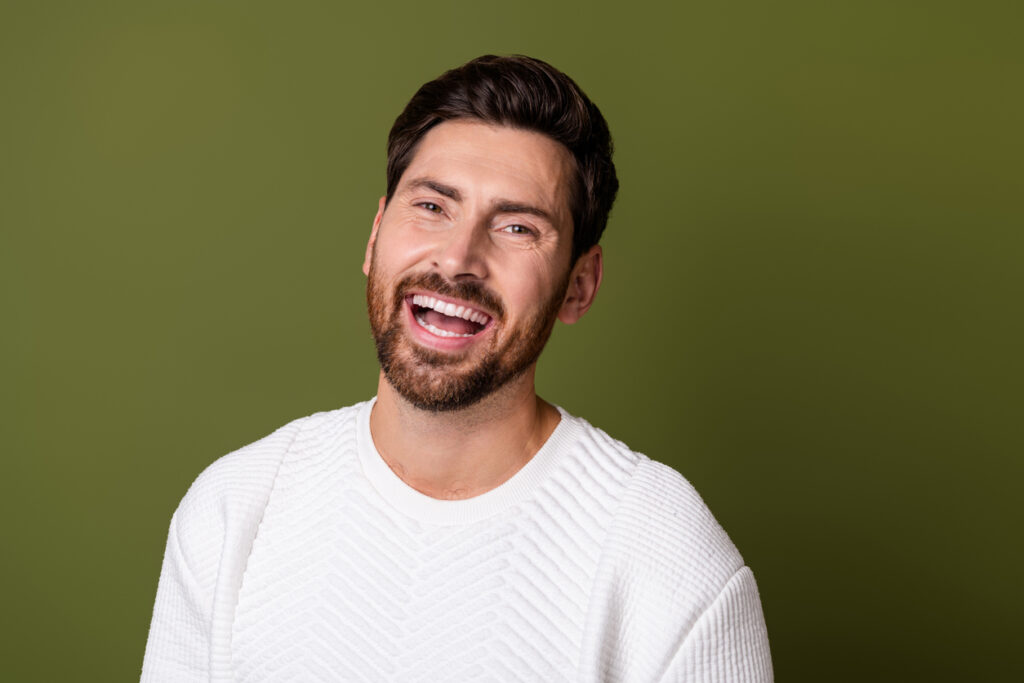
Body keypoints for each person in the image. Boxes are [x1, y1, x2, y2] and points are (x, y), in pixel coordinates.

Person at [141, 54, 773, 682]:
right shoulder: (236, 507)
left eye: (518, 227)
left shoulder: (664, 555)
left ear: (579, 286)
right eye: (433, 207)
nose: (458, 258)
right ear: (375, 236)